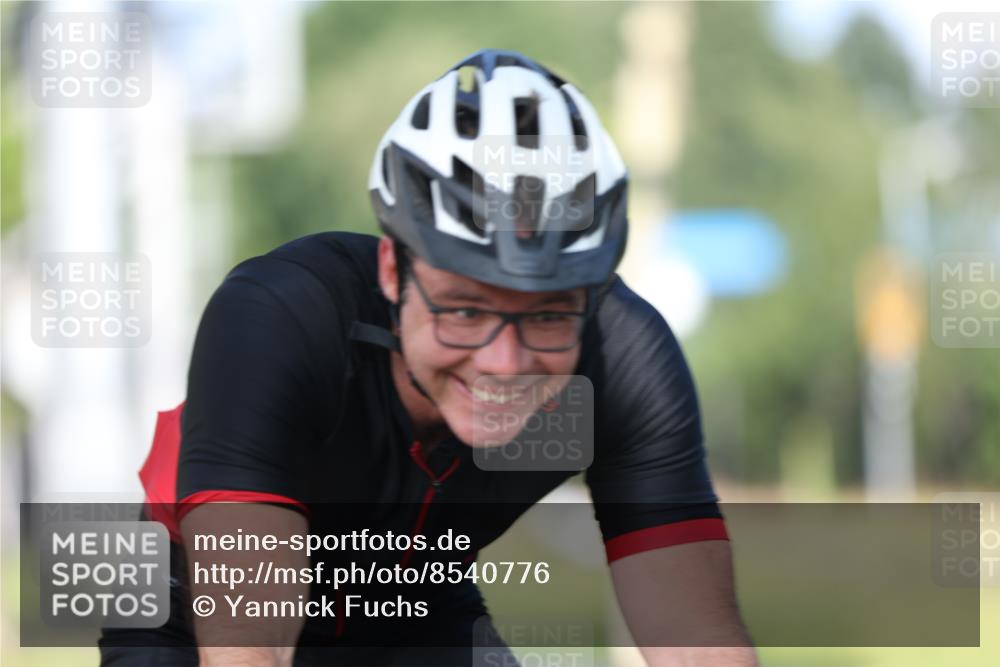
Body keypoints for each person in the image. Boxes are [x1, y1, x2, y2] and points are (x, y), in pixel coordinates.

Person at [100, 49, 758, 666]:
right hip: (185, 606)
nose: (505, 363)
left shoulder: (624, 360)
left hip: (413, 603)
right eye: (465, 309)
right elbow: (249, 645)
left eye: (549, 313)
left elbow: (695, 637)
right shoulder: (280, 318)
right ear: (393, 268)